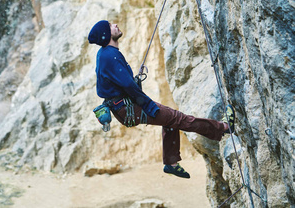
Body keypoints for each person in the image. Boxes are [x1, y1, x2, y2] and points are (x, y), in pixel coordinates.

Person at [88, 20, 235, 179]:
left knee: (170, 121)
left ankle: (171, 163)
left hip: (122, 107)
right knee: (179, 119)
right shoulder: (110, 56)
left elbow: (119, 83)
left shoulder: (105, 54)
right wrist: (148, 105)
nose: (115, 25)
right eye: (110, 25)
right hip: (128, 107)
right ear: (106, 34)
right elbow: (128, 85)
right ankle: (224, 127)